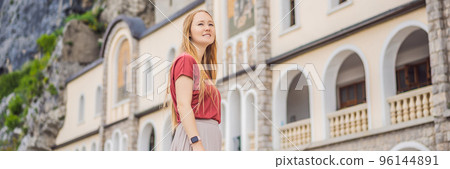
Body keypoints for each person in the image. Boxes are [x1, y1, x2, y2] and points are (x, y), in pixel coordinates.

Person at [166, 10, 222, 151]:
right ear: (189, 32)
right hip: (195, 139)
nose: (207, 27)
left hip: (209, 138)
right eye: (200, 24)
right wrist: (196, 143)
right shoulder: (186, 60)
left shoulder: (202, 69)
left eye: (211, 24)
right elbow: (183, 105)